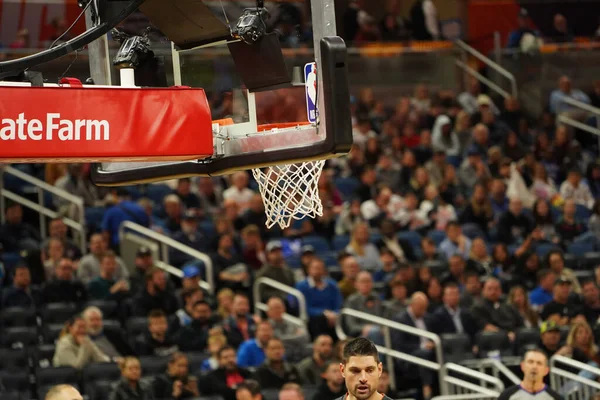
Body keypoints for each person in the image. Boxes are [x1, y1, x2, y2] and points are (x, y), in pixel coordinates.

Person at [497, 349, 562, 400]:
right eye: (530, 362)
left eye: (539, 363)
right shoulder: (507, 396)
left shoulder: (555, 398)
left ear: (546, 370)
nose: (534, 367)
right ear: (522, 366)